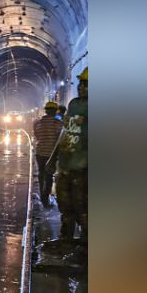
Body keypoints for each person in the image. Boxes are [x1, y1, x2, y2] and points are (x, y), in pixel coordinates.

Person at [47, 68, 87, 240]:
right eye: (81, 84)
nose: (81, 87)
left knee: (83, 209)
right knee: (66, 207)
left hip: (83, 168)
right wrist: (53, 157)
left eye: (86, 85)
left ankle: (86, 249)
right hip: (66, 165)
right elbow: (66, 132)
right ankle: (66, 242)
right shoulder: (74, 104)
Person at [32, 102, 63, 207]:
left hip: (40, 152)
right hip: (51, 154)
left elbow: (37, 135)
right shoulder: (57, 123)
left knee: (41, 174)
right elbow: (60, 138)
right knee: (49, 176)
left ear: (46, 111)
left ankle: (42, 194)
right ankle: (45, 200)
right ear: (55, 111)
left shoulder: (37, 123)